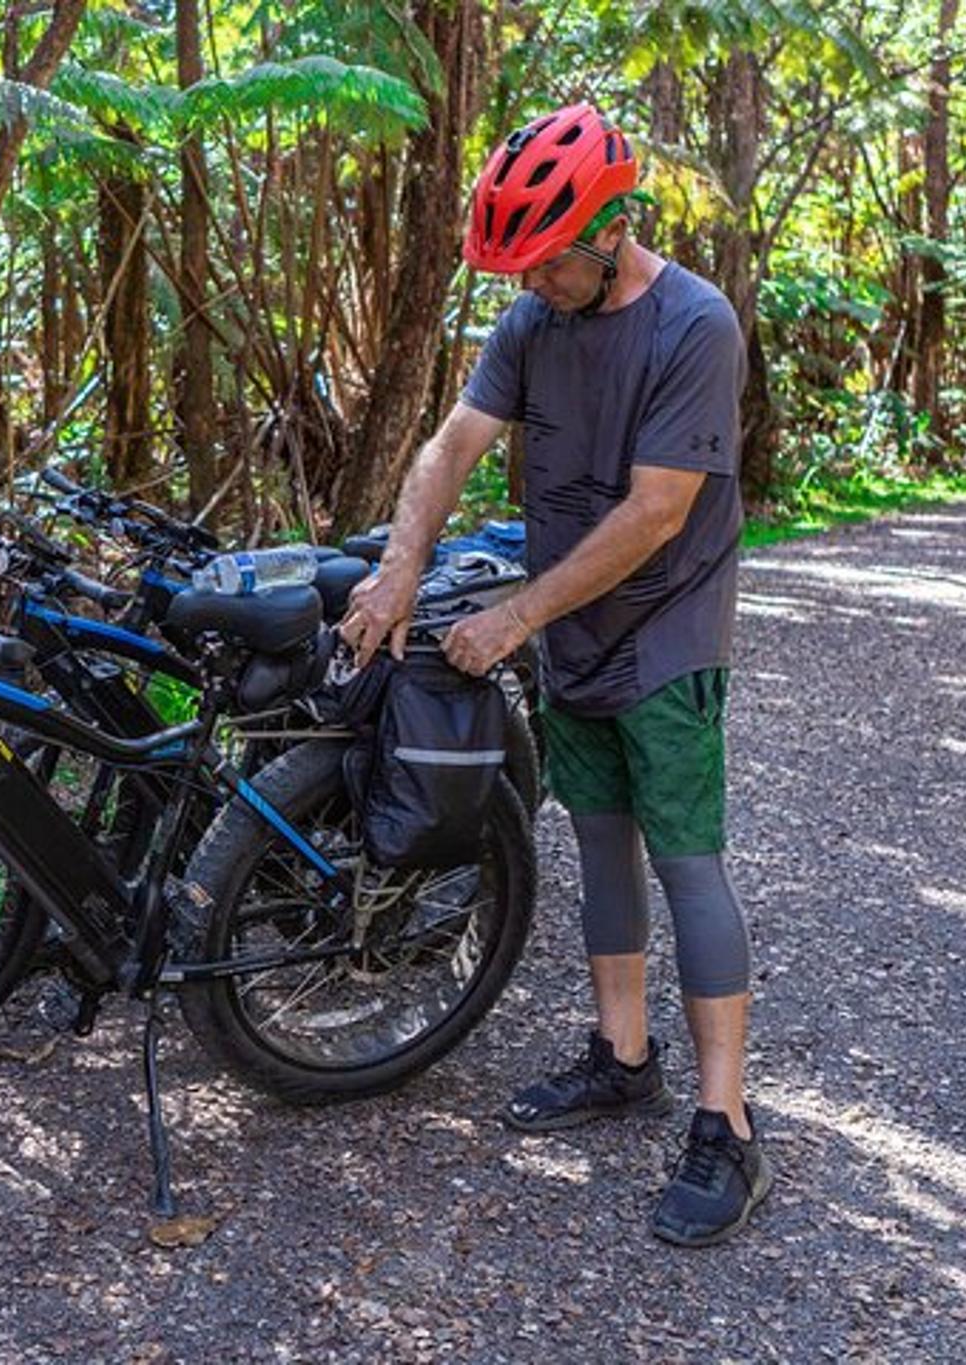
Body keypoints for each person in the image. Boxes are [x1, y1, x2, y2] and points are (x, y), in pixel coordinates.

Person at [337, 102, 768, 1247]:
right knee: (595, 845)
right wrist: (396, 572)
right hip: (569, 627)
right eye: (517, 267)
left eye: (545, 262)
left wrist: (515, 615)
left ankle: (726, 1128)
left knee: (684, 864)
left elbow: (655, 511)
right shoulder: (531, 323)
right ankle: (620, 1059)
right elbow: (450, 447)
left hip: (667, 631)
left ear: (610, 228)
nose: (529, 284)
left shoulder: (694, 324)